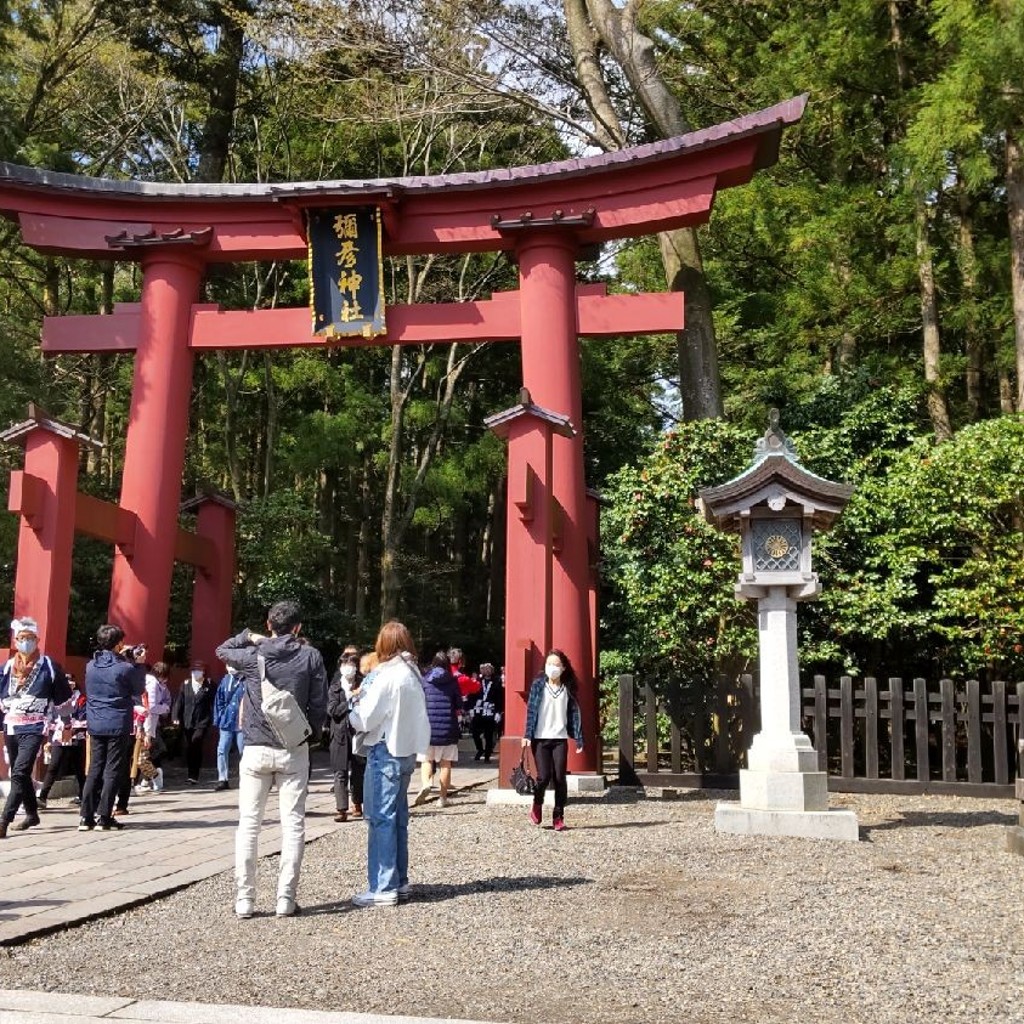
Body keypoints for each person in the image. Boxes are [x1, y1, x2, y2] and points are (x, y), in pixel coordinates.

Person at [216, 599, 328, 919]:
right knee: (293, 824)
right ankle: (285, 899)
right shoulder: (310, 656)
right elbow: (318, 703)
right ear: (298, 627)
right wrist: (312, 735)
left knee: (249, 825)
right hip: (293, 747)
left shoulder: (254, 655)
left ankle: (245, 900)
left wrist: (249, 637)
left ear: (269, 625)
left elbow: (222, 650)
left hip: (255, 746)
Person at [348, 620, 430, 908]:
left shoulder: (388, 674)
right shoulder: (413, 673)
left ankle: (382, 886)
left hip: (385, 749)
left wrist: (352, 710)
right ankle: (399, 880)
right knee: (398, 817)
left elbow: (366, 718)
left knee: (380, 818)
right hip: (406, 749)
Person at [0, 617, 70, 837]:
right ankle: (32, 813)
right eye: (22, 639)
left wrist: (66, 723)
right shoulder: (9, 666)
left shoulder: (48, 666)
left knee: (20, 771)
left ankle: (4, 819)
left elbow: (63, 697)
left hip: (35, 725)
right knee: (19, 773)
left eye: (30, 639)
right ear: (15, 640)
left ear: (37, 640)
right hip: (12, 724)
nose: (26, 643)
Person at [79, 626, 147, 832]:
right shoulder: (125, 668)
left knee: (94, 768)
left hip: (96, 721)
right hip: (117, 722)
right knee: (113, 769)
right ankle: (105, 815)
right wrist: (139, 664)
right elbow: (138, 689)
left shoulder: (91, 665)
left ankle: (85, 816)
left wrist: (122, 657)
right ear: (119, 643)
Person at [521, 648, 584, 832]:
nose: (552, 668)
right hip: (540, 738)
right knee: (543, 776)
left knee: (559, 778)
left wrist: (579, 738)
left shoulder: (568, 688)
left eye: (556, 665)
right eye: (549, 664)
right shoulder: (538, 685)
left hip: (559, 738)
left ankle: (558, 816)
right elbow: (531, 712)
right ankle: (537, 803)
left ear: (563, 668)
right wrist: (527, 735)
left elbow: (574, 715)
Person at [414, 651, 461, 807]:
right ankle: (442, 798)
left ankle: (426, 783)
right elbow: (459, 705)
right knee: (445, 764)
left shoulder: (425, 680)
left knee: (427, 760)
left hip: (428, 727)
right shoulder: (453, 681)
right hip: (448, 727)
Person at [37, 672, 87, 808]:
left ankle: (84, 796)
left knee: (79, 768)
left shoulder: (81, 700)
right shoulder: (54, 701)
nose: (68, 684)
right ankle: (42, 797)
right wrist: (49, 739)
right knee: (53, 766)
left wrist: (72, 730)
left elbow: (84, 718)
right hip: (58, 737)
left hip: (76, 736)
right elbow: (49, 720)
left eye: (70, 681)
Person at [326, 652, 363, 822]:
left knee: (358, 771)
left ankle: (357, 803)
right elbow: (332, 711)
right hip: (339, 733)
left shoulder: (364, 684)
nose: (348, 668)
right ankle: (341, 808)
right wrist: (349, 702)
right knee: (340, 772)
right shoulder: (335, 687)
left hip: (358, 732)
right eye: (344, 665)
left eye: (351, 665)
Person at [171, 660, 215, 785]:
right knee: (189, 746)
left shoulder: (209, 685)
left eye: (199, 670)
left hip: (202, 720)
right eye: (194, 670)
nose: (196, 673)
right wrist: (175, 716)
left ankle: (194, 775)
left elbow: (214, 702)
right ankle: (190, 773)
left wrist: (214, 717)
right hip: (187, 720)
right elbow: (179, 701)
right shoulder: (185, 684)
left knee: (196, 743)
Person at [213, 666, 245, 791]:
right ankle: (223, 778)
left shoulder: (245, 680)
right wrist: (220, 716)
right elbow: (219, 699)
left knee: (243, 750)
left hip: (241, 721)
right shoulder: (225, 680)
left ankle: (245, 777)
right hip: (226, 720)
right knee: (222, 749)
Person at [467, 661, 504, 763]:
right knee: (475, 732)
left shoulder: (497, 681)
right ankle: (479, 749)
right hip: (478, 711)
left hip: (490, 711)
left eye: (489, 668)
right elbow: (471, 695)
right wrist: (470, 708)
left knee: (488, 735)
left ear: (492, 670)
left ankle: (487, 756)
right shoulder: (478, 681)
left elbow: (500, 697)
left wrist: (498, 712)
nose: (486, 670)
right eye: (485, 668)